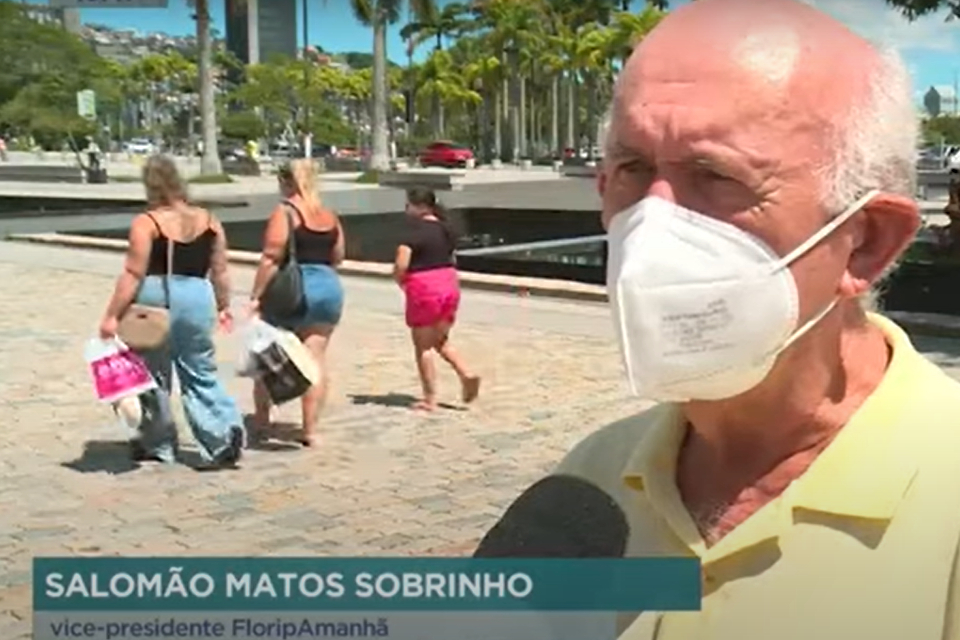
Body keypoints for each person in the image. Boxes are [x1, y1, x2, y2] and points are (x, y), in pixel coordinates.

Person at [494, 1, 960, 638]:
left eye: (713, 175)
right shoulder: (590, 482)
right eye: (632, 169)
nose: (651, 227)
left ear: (867, 240)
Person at [98, 154, 244, 468]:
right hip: (197, 294)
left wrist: (112, 314)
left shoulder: (146, 222)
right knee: (200, 370)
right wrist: (223, 305)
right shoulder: (209, 220)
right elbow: (220, 270)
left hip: (156, 296)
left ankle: (158, 443)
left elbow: (133, 274)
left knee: (153, 374)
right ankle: (222, 433)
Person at [248, 159, 344, 447]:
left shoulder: (285, 211)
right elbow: (338, 257)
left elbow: (271, 257)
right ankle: (310, 431)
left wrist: (256, 296)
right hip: (328, 287)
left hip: (294, 288)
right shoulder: (330, 215)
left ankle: (263, 420)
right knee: (315, 360)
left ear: (287, 182)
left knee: (268, 356)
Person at [394, 188, 479, 411]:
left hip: (424, 287)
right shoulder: (446, 229)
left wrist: (401, 281)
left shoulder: (412, 232)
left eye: (409, 204)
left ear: (419, 206)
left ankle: (430, 399)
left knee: (423, 347)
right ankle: (466, 373)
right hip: (448, 284)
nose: (406, 208)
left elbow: (402, 263)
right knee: (440, 340)